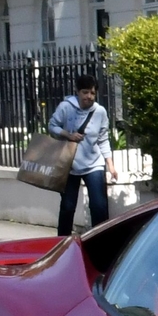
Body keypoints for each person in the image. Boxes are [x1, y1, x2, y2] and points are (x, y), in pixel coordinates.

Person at [46, 72, 114, 236]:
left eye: (92, 93)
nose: (89, 97)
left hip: (94, 164)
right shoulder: (66, 107)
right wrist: (67, 135)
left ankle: (101, 239)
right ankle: (62, 242)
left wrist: (110, 165)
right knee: (68, 206)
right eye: (85, 92)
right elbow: (52, 126)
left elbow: (103, 139)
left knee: (99, 206)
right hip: (70, 164)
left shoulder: (100, 112)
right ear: (77, 91)